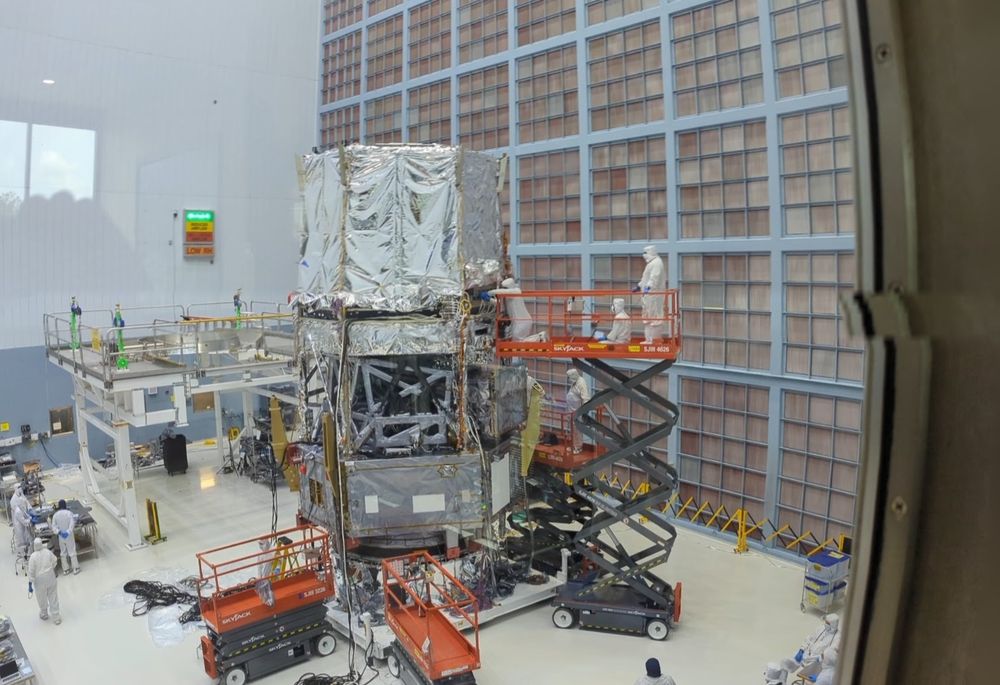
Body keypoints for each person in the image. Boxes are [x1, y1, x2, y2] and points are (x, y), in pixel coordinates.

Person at [634, 245, 666, 344]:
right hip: (648, 296)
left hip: (654, 296)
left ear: (651, 252)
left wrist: (648, 287)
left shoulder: (657, 263)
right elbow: (645, 278)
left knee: (655, 317)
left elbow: (654, 278)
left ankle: (654, 341)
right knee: (647, 317)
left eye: (645, 253)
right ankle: (648, 340)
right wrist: (639, 286)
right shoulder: (651, 263)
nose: (644, 256)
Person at [27, 538, 61, 624]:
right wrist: (50, 569)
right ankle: (56, 617)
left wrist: (30, 583)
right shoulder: (47, 552)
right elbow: (55, 561)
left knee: (41, 597)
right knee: (53, 596)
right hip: (50, 576)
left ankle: (44, 613)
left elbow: (31, 571)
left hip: (39, 580)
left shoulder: (33, 556)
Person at [565, 369, 591, 453]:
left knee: (577, 429)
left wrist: (584, 411)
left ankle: (578, 447)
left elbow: (585, 398)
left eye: (569, 377)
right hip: (571, 410)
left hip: (578, 411)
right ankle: (574, 445)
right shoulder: (574, 382)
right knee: (573, 429)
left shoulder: (581, 383)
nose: (568, 379)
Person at [52, 500, 80, 575]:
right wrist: (67, 532)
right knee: (72, 551)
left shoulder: (55, 515)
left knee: (63, 552)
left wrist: (59, 532)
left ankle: (66, 569)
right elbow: (72, 524)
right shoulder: (69, 513)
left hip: (61, 536)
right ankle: (75, 568)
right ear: (65, 505)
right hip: (69, 536)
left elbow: (53, 527)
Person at [11, 488, 32, 559]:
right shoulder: (18, 511)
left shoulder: (21, 505)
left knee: (26, 536)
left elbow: (26, 504)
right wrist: (29, 520)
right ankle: (23, 555)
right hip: (19, 525)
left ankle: (26, 552)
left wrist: (29, 513)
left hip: (21, 523)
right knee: (21, 539)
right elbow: (23, 521)